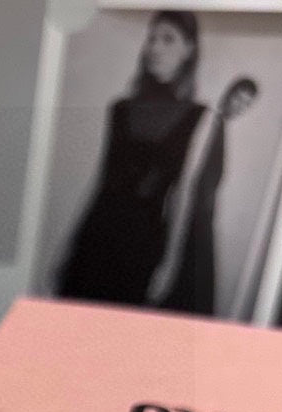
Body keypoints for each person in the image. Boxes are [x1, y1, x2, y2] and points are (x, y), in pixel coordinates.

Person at [57, 10, 223, 315]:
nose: (155, 47)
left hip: (145, 244)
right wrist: (68, 248)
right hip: (97, 238)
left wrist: (169, 265)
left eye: (168, 39)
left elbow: (183, 196)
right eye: (152, 38)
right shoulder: (120, 109)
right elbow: (101, 182)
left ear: (189, 49)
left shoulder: (201, 117)